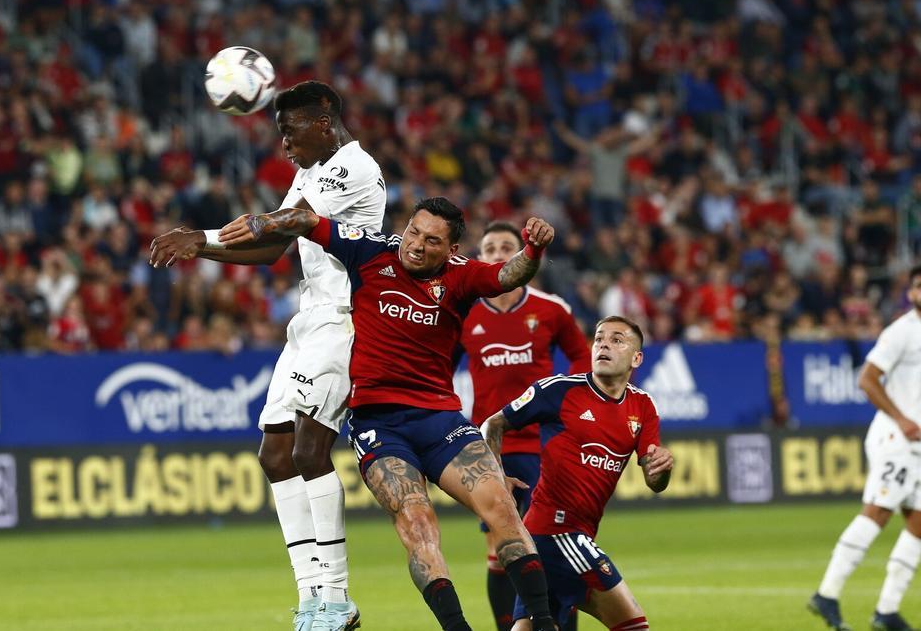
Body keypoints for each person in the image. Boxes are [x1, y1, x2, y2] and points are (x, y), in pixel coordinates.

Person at [217, 197, 559, 631]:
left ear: (451, 249)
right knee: (417, 523)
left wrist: (533, 249)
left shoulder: (462, 275)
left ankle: (544, 623)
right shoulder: (370, 251)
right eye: (413, 231)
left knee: (503, 511)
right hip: (379, 425)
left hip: (442, 420)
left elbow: (509, 274)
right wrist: (262, 222)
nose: (416, 245)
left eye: (431, 240)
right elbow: (305, 219)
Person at [149, 80, 385, 630]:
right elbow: (271, 248)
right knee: (275, 455)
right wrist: (202, 247)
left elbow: (286, 223)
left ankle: (336, 597)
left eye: (291, 131)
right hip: (307, 321)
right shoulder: (309, 173)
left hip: (343, 318)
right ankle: (311, 596)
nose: (285, 144)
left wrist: (201, 233)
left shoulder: (353, 167)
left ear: (324, 121)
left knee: (309, 451)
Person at [479, 316, 674, 631]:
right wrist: (495, 477)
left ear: (636, 358)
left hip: (563, 535)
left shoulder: (643, 406)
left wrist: (661, 468)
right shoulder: (558, 390)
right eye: (599, 339)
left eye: (617, 340)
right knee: (634, 625)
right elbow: (493, 423)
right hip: (556, 533)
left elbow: (654, 481)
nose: (604, 345)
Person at [462, 221, 590, 631]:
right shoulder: (463, 310)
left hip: (544, 445)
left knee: (553, 544)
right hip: (490, 448)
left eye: (506, 246)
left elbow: (582, 359)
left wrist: (571, 408)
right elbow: (438, 369)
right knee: (500, 547)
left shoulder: (551, 308)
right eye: (490, 248)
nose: (498, 253)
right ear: (480, 258)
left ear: (520, 255)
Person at [809, 266, 921, 631]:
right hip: (896, 439)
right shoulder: (902, 331)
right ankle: (827, 594)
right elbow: (867, 379)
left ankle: (887, 610)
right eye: (917, 286)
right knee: (878, 512)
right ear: (911, 293)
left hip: (918, 445)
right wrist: (901, 419)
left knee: (919, 523)